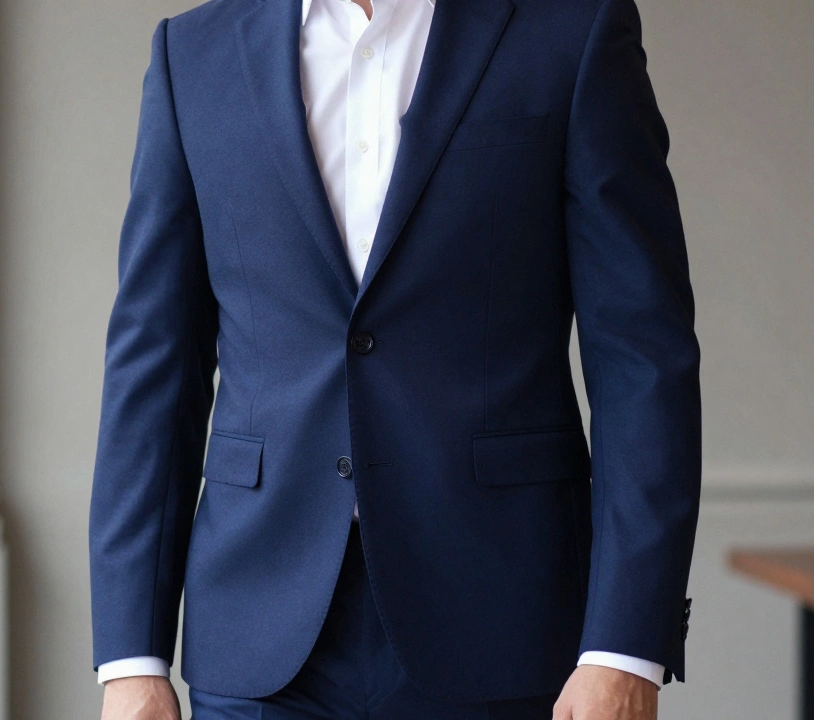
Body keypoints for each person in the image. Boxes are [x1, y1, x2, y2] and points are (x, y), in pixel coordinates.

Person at [88, 0, 701, 717]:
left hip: (504, 623)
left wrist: (624, 647)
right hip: (259, 635)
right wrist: (131, 657)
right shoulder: (191, 54)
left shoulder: (572, 32)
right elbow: (153, 366)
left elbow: (642, 360)